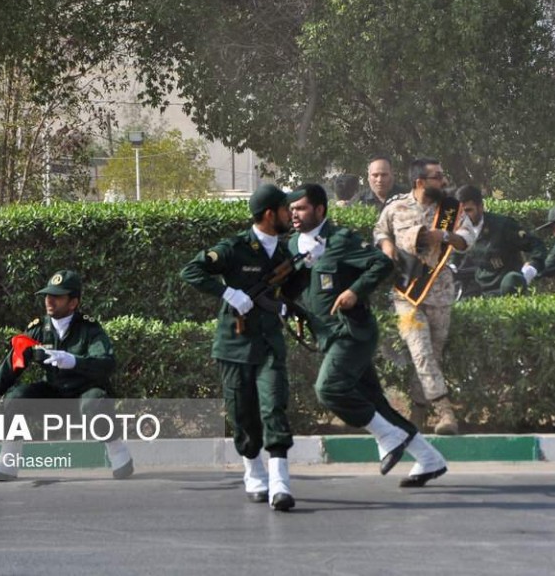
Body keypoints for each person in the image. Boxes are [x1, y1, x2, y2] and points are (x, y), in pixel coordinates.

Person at [285, 184, 449, 487]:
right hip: (327, 337)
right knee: (376, 402)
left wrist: (353, 291)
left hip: (351, 332)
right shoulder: (293, 245)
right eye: (292, 208)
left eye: (302, 208)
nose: (295, 213)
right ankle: (429, 459)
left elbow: (381, 263)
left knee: (329, 389)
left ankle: (388, 436)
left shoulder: (341, 240)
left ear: (320, 210)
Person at [180, 183, 299, 511]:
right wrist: (227, 293)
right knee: (242, 414)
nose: (292, 215)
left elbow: (293, 289)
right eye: (286, 210)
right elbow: (191, 270)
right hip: (234, 345)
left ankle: (280, 483)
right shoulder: (235, 248)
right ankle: (253, 469)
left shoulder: (286, 253)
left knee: (274, 405)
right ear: (269, 214)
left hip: (269, 343)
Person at [0, 269, 133, 482]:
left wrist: (73, 361)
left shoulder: (89, 329)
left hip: (84, 395)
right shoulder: (37, 330)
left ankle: (117, 450)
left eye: (57, 296)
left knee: (95, 402)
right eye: (47, 295)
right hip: (54, 394)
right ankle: (8, 462)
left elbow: (107, 364)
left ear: (73, 303)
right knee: (16, 398)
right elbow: (7, 371)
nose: (49, 300)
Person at [373, 158, 476, 435]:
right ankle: (446, 414)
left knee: (433, 356)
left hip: (440, 294)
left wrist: (443, 235)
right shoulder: (396, 207)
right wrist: (386, 246)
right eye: (437, 177)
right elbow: (380, 231)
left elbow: (468, 238)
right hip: (407, 295)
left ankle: (417, 416)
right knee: (420, 354)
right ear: (420, 182)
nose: (443, 181)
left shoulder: (451, 210)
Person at [453, 185, 547, 298]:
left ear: (481, 207)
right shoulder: (460, 230)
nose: (464, 217)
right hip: (478, 290)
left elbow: (538, 246)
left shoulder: (502, 226)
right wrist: (452, 266)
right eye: (461, 213)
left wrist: (529, 271)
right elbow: (456, 254)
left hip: (505, 290)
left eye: (468, 210)